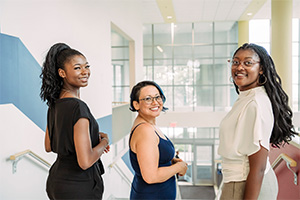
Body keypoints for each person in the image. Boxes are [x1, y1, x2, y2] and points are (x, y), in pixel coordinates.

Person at [218, 43, 297, 200]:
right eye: (235, 62)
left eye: (248, 63)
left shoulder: (255, 103)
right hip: (240, 181)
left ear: (261, 68)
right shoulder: (247, 97)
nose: (239, 67)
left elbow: (258, 167)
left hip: (244, 184)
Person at [40, 43, 110, 199]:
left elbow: (49, 145)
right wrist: (104, 141)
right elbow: (85, 162)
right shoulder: (78, 107)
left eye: (87, 66)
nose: (85, 72)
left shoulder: (54, 103)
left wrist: (91, 136)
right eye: (78, 68)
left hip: (57, 182)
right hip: (78, 187)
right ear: (62, 73)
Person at [129, 80, 188, 199]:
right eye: (148, 99)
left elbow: (153, 160)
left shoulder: (150, 125)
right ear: (136, 105)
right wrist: (179, 167)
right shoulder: (145, 130)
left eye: (157, 97)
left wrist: (170, 162)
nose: (155, 102)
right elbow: (151, 176)